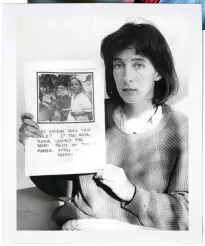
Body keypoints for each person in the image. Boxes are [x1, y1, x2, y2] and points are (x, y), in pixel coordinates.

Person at [19, 22, 188, 231]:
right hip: (81, 229)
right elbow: (62, 188)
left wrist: (132, 194)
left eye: (138, 64)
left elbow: (187, 214)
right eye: (118, 65)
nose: (127, 77)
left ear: (158, 72)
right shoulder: (94, 114)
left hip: (142, 235)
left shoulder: (182, 129)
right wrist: (36, 149)